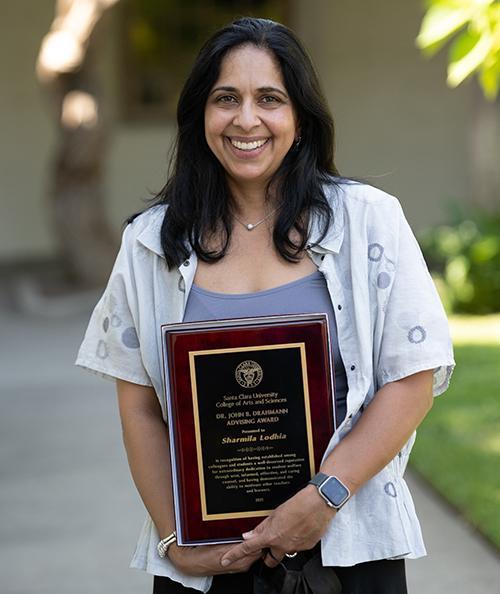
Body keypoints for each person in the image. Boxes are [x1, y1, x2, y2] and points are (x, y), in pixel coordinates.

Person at [76, 16, 454, 594]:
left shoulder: (368, 221)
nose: (246, 119)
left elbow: (413, 377)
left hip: (349, 547)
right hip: (210, 564)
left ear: (299, 118)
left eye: (269, 99)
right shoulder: (151, 242)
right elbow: (141, 407)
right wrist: (176, 539)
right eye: (226, 98)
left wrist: (323, 497)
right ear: (200, 115)